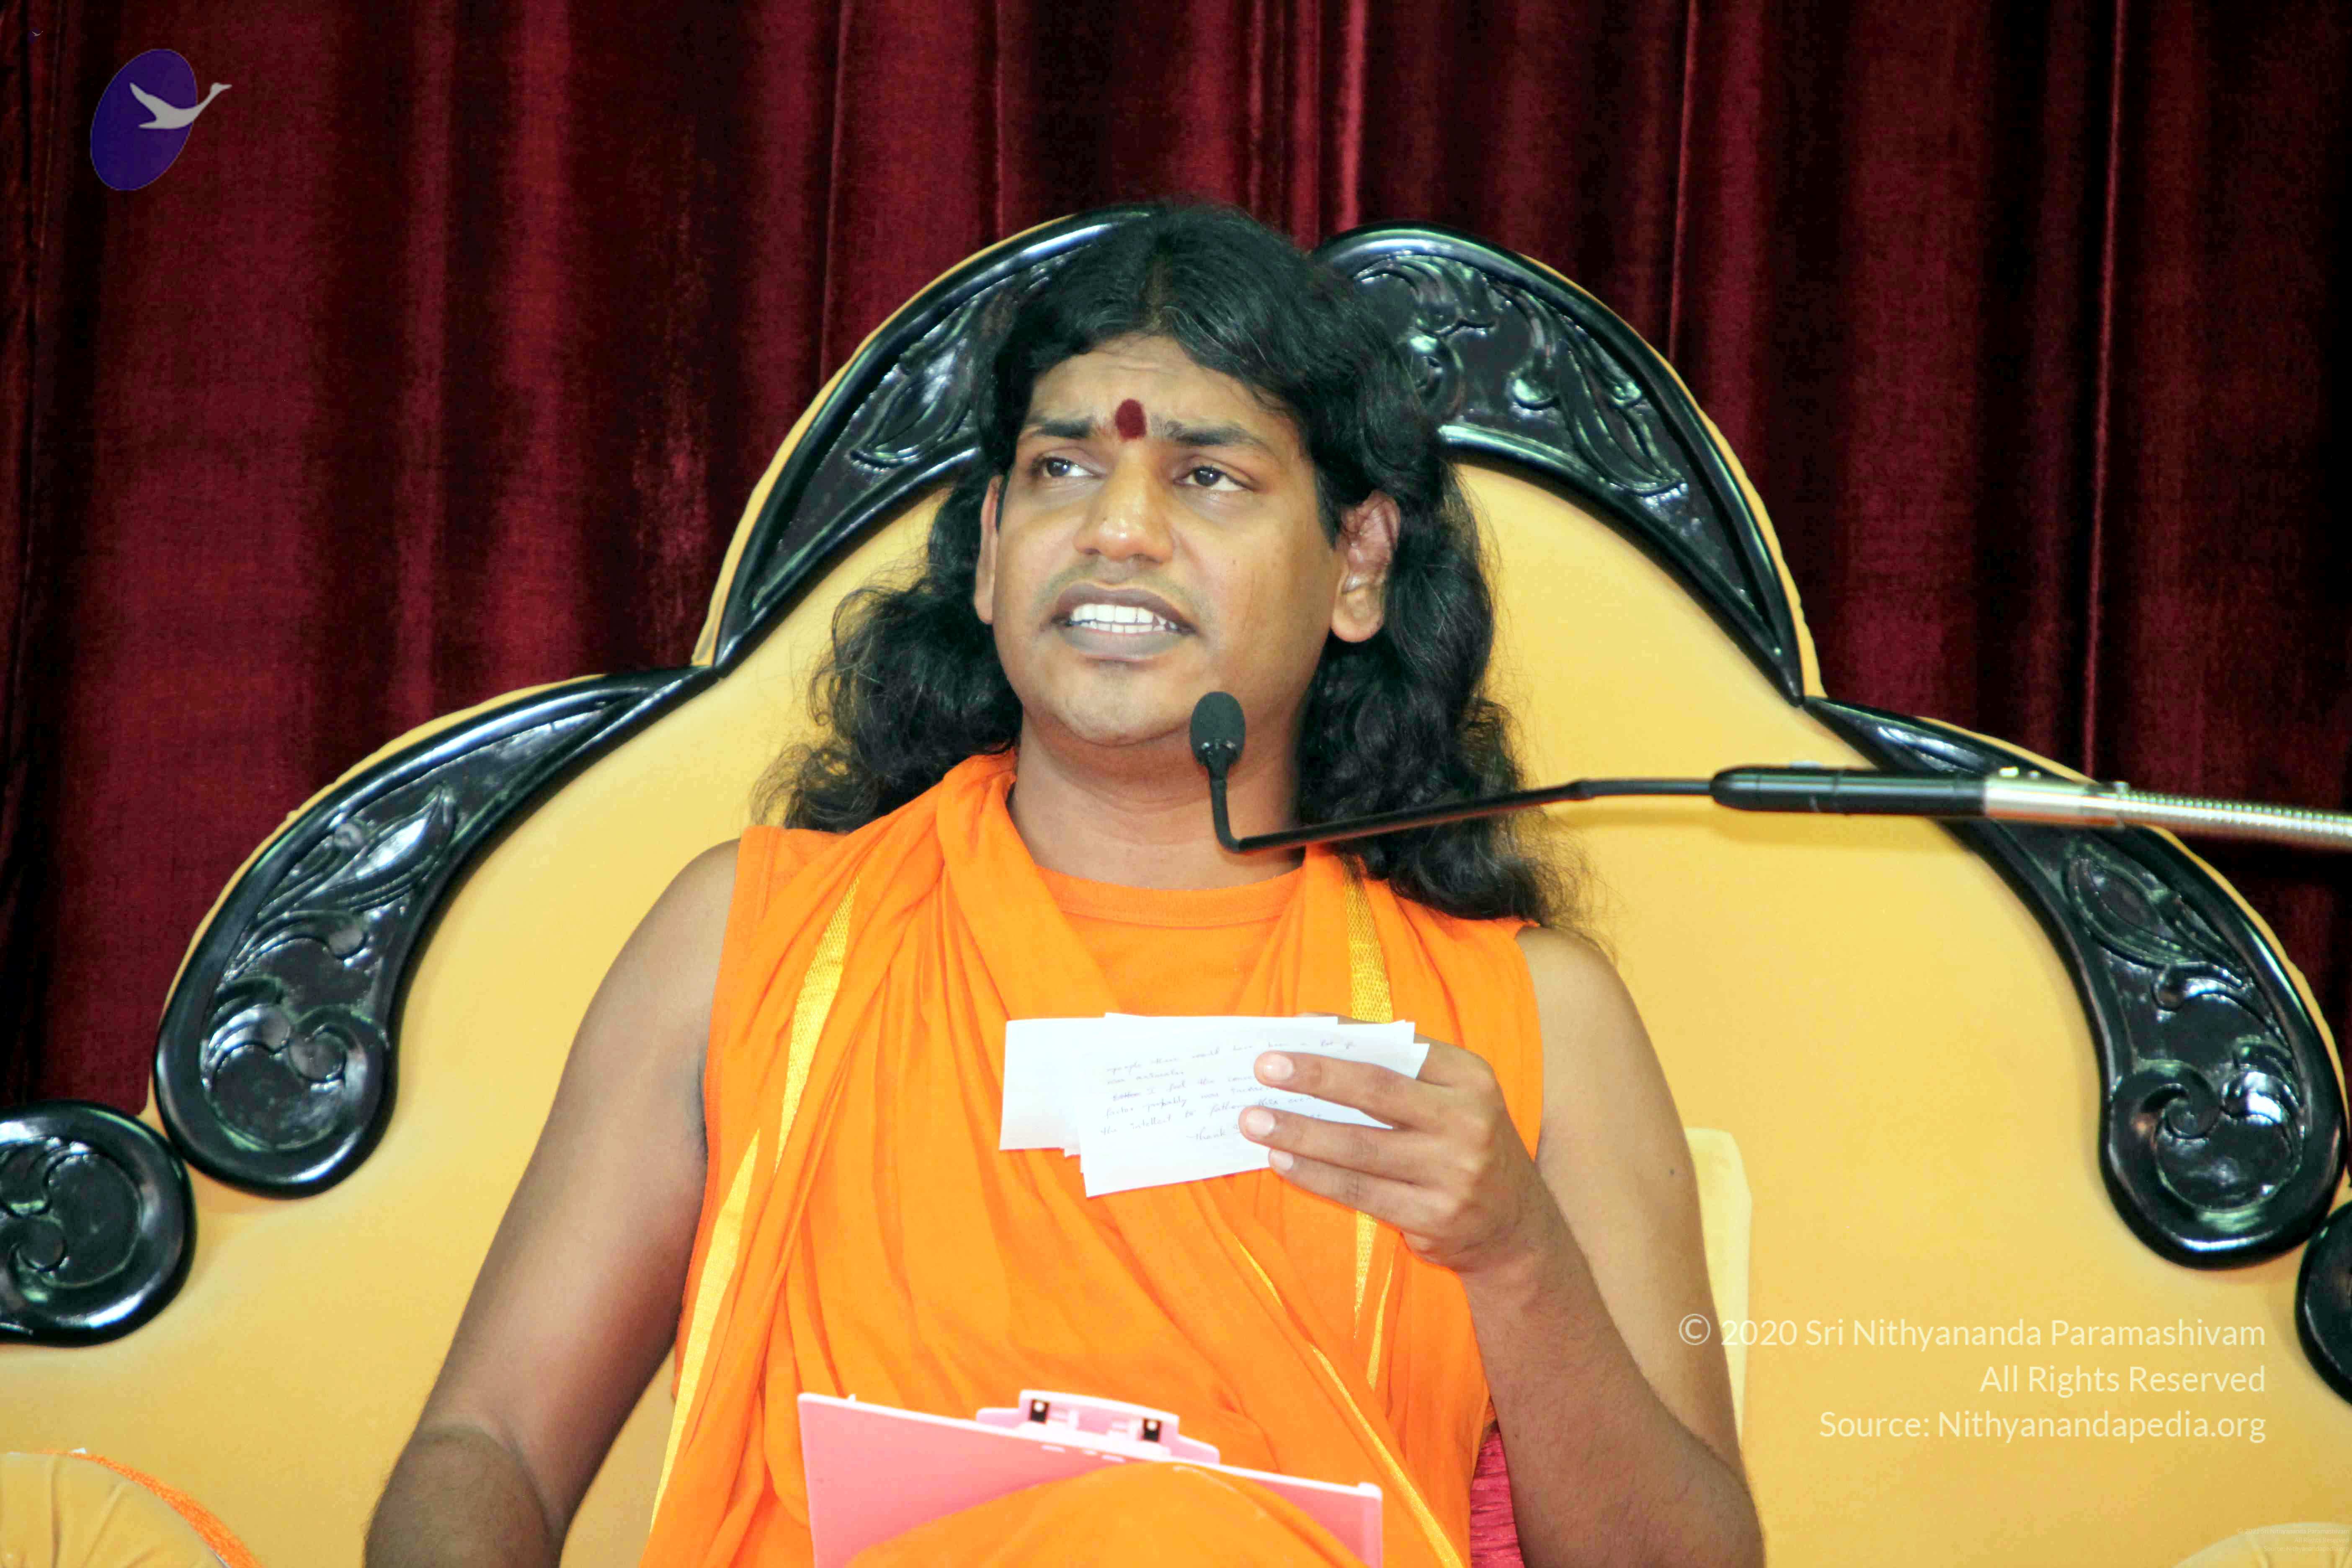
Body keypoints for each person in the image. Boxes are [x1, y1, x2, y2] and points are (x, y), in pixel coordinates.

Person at [366, 203, 1763, 1567]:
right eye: (1062, 468)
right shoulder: (757, 942)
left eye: (1207, 477)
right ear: (988, 552)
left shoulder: (1529, 1020)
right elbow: (488, 1447)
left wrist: (1517, 1255)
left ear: (1357, 565)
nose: (1119, 530)